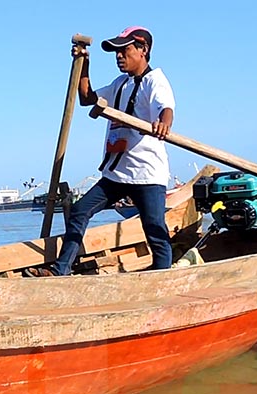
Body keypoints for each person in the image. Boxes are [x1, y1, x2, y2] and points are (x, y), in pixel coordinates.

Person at [44, 26, 175, 276]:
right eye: (117, 52)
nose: (119, 57)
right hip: (116, 173)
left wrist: (163, 124)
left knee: (155, 229)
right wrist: (83, 62)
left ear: (143, 50)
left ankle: (162, 278)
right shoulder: (120, 83)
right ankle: (61, 270)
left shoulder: (155, 81)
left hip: (146, 174)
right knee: (80, 211)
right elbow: (86, 98)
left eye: (124, 51)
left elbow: (165, 108)